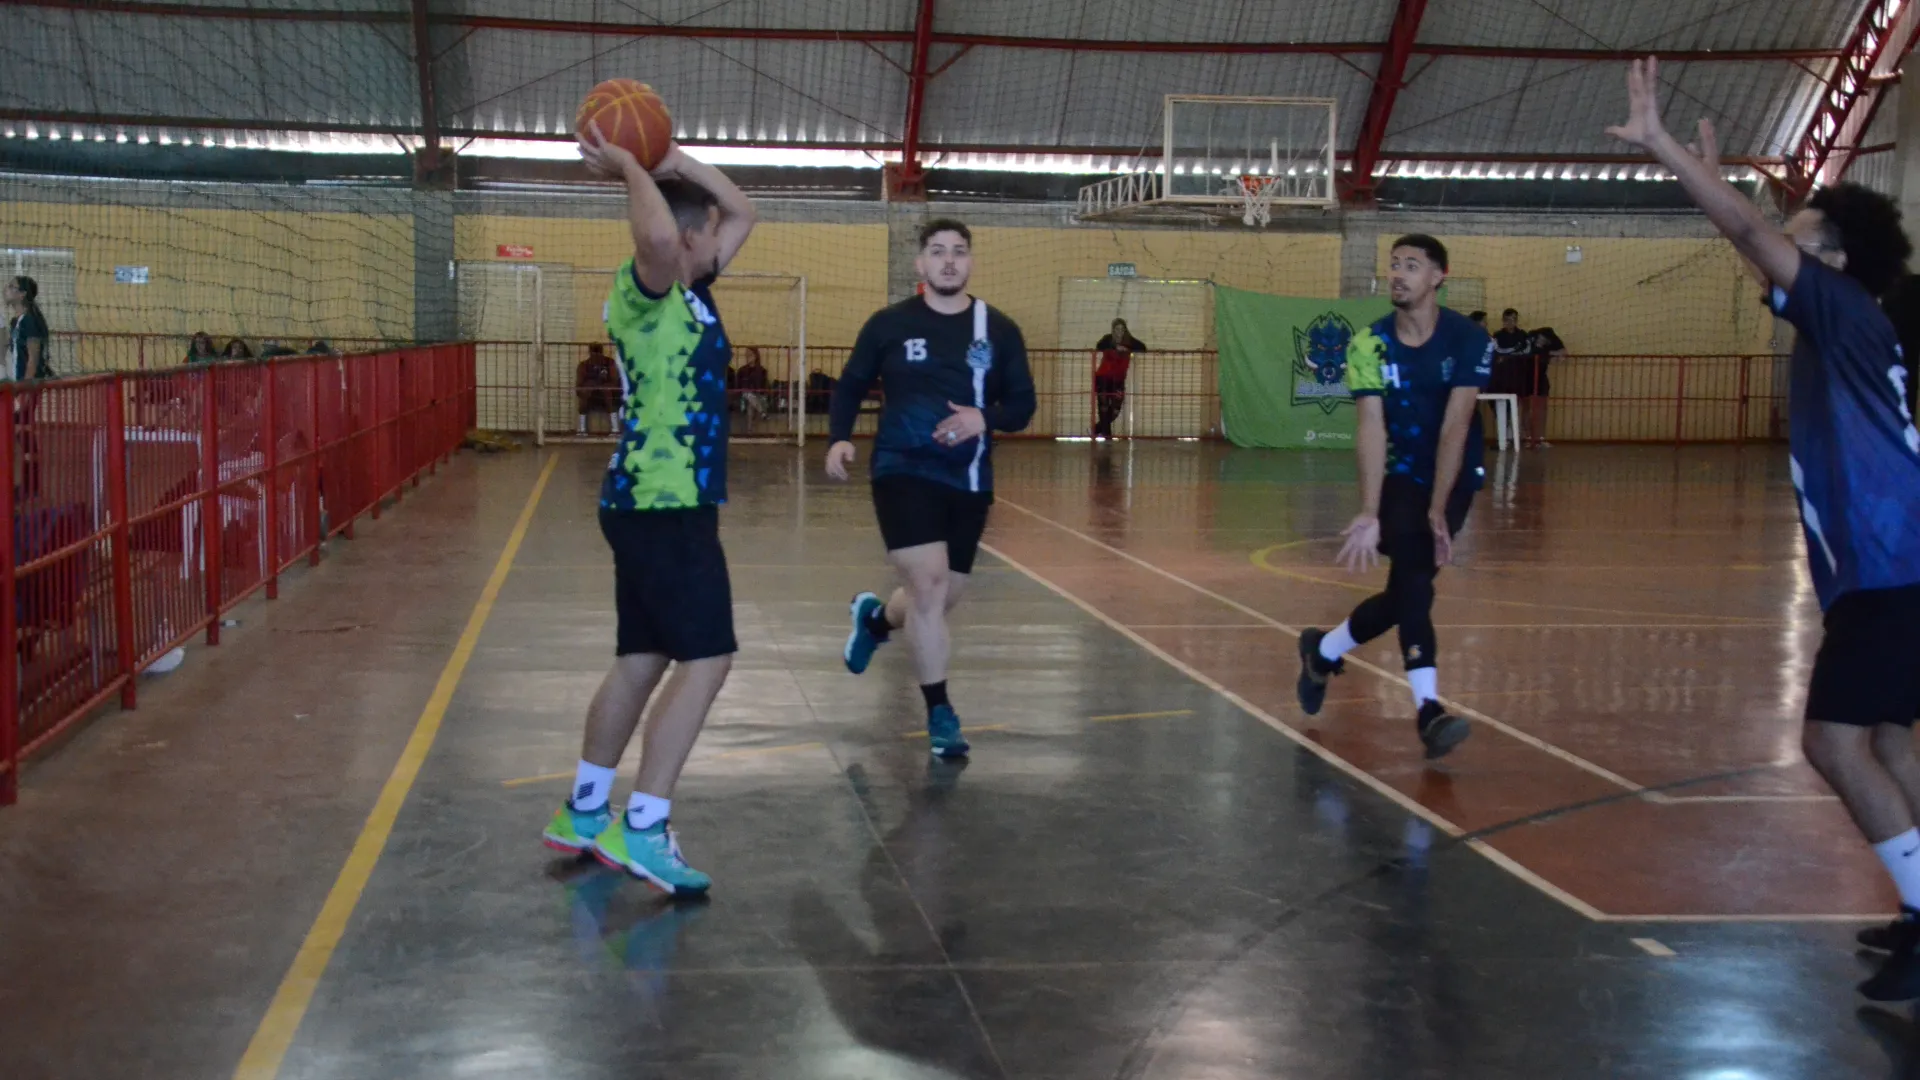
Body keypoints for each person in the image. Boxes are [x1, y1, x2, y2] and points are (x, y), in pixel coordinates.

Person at [1609, 57, 1920, 1000]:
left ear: (1832, 261)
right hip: (1895, 565)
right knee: (1892, 744)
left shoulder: (1840, 307)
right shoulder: (1848, 318)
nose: (1778, 250)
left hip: (1891, 565)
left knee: (1833, 741)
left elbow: (1748, 232)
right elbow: (1754, 241)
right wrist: (1725, 191)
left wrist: (1666, 150)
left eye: (1799, 240)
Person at [539, 124, 757, 896]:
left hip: (647, 504)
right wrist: (633, 167)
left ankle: (584, 810)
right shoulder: (648, 287)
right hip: (665, 504)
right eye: (705, 236)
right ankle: (644, 825)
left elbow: (743, 212)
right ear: (692, 240)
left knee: (642, 659)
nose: (718, 242)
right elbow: (661, 235)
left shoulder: (695, 290)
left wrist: (674, 159)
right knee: (708, 659)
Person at [825, 219, 1036, 759]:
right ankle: (940, 713)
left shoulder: (998, 329)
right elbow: (851, 383)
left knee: (940, 597)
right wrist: (840, 437)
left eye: (959, 252)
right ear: (920, 263)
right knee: (930, 582)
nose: (948, 260)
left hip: (969, 480)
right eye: (938, 251)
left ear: (970, 262)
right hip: (902, 470)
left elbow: (1022, 405)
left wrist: (983, 418)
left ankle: (875, 620)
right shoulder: (889, 324)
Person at [1296, 234, 1492, 760]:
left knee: (1407, 588)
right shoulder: (1369, 344)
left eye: (1412, 265)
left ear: (1438, 277)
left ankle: (1323, 649)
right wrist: (1369, 509)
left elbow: (1456, 425)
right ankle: (1428, 711)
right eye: (1394, 264)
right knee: (1415, 585)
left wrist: (1438, 508)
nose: (1398, 274)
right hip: (1401, 477)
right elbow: (1371, 427)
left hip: (1452, 476)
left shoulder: (1469, 339)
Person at [1091, 318, 1147, 439]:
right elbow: (1099, 345)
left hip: (1118, 380)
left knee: (1115, 411)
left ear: (1125, 330)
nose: (1119, 332)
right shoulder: (1107, 339)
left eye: (1122, 329)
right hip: (1103, 378)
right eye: (1117, 329)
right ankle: (1107, 436)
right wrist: (1115, 347)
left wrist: (1126, 348)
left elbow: (1143, 348)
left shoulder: (1129, 341)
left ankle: (1096, 429)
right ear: (1113, 330)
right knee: (1104, 407)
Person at [1522, 325, 1567, 448]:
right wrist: (1548, 354)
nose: (1544, 341)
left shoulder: (1551, 341)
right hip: (1525, 377)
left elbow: (1563, 352)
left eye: (1546, 340)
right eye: (1542, 339)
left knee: (1541, 408)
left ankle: (1540, 438)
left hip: (1541, 377)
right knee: (1526, 407)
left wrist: (1548, 353)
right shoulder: (1530, 337)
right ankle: (1528, 437)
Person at [6, 276, 51, 381]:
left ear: (22, 294)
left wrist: (25, 387)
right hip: (17, 381)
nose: (6, 289)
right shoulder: (15, 321)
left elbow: (33, 359)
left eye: (11, 286)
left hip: (28, 385)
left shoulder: (29, 321)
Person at [574, 343, 620, 435]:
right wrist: (590, 385)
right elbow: (579, 386)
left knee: (607, 390)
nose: (596, 355)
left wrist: (603, 385)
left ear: (601, 352)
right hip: (590, 395)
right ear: (590, 353)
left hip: (608, 395)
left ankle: (615, 429)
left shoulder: (609, 363)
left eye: (598, 352)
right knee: (585, 390)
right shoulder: (584, 365)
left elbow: (615, 382)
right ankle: (582, 429)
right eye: (594, 352)